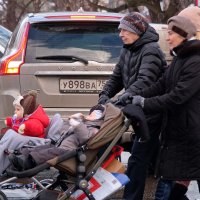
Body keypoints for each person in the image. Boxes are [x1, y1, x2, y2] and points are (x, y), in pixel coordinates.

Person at [130, 15, 200, 200]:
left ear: (183, 34)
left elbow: (177, 96)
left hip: (191, 133)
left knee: (170, 181)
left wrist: (145, 104)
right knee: (173, 180)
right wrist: (133, 97)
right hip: (179, 130)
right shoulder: (180, 58)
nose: (167, 38)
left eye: (170, 33)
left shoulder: (195, 61)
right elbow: (161, 84)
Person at [98, 12, 167, 200]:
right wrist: (104, 95)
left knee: (137, 160)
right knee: (151, 159)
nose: (120, 33)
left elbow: (145, 81)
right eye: (120, 29)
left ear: (137, 30)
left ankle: (132, 197)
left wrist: (121, 99)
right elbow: (117, 78)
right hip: (138, 112)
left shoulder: (150, 50)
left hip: (152, 112)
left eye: (125, 29)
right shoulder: (127, 49)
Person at [9, 104, 106, 171]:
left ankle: (28, 162)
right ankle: (21, 155)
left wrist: (78, 125)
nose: (89, 115)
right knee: (42, 148)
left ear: (97, 119)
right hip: (60, 145)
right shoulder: (83, 124)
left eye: (93, 115)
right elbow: (63, 130)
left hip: (70, 151)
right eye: (90, 113)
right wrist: (71, 121)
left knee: (47, 153)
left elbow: (85, 137)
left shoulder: (94, 129)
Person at [0, 90, 50, 175]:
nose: (15, 112)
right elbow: (15, 122)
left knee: (10, 136)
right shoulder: (25, 117)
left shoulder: (35, 121)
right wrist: (9, 121)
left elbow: (36, 128)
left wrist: (26, 127)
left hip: (33, 141)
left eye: (18, 109)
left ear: (26, 111)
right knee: (8, 135)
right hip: (24, 138)